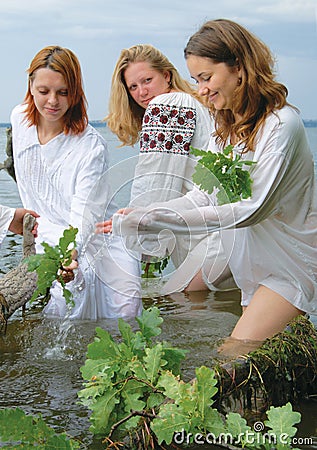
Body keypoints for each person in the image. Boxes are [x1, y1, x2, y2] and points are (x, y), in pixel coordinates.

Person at [103, 19, 317, 349]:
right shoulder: (227, 129)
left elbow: (252, 209)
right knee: (266, 370)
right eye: (196, 79)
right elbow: (206, 195)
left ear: (240, 68)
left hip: (291, 265)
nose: (200, 89)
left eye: (206, 77)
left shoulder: (281, 125)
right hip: (252, 266)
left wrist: (160, 219)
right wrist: (144, 215)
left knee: (230, 357)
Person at [11, 45, 142, 320]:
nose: (52, 102)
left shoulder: (89, 146)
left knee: (125, 311)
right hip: (48, 232)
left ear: (75, 92)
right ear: (31, 86)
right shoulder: (20, 120)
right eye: (44, 91)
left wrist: (73, 252)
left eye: (63, 92)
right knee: (63, 313)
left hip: (97, 233)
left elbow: (85, 211)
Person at [100, 44, 236, 295]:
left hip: (206, 239)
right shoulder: (196, 104)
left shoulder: (168, 105)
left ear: (167, 75)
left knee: (179, 309)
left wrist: (136, 234)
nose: (142, 92)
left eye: (147, 80)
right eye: (133, 87)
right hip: (225, 233)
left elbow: (154, 181)